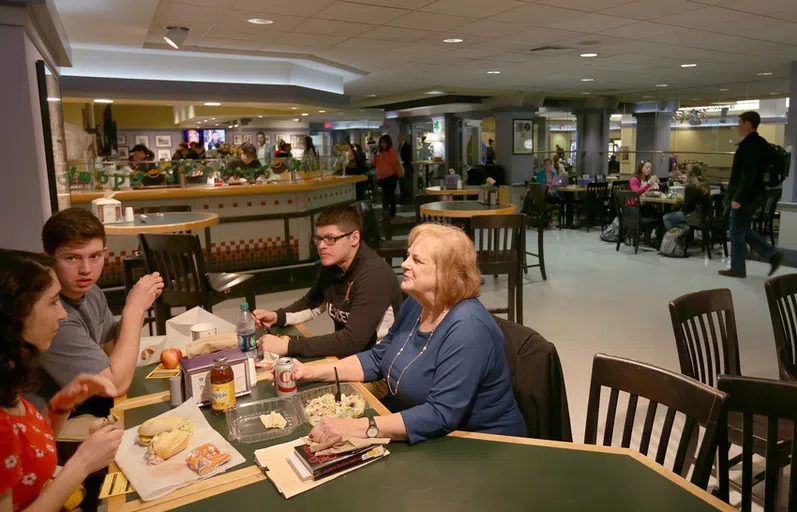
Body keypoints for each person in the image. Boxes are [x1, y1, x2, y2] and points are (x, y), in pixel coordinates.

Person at [289, 224, 527, 445]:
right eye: (407, 256)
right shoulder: (417, 304)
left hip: (480, 445)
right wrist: (308, 371)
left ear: (445, 274)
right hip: (429, 432)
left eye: (417, 260)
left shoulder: (468, 328)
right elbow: (378, 358)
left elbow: (440, 414)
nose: (404, 264)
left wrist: (357, 427)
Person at [0, 249, 123, 512]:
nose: (63, 315)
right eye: (53, 302)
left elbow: (32, 448)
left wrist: (64, 401)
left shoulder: (8, 380)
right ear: (17, 314)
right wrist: (81, 465)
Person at [33, 209, 164, 415]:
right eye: (72, 258)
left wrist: (138, 306)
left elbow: (111, 349)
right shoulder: (53, 316)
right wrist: (134, 309)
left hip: (85, 405)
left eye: (95, 256)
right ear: (47, 259)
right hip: (58, 422)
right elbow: (115, 385)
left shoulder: (91, 291)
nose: (86, 269)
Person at [254, 204, 403, 358]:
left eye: (331, 239)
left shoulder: (374, 276)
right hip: (349, 357)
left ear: (354, 238)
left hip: (379, 363)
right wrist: (276, 316)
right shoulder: (334, 265)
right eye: (319, 239)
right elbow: (311, 304)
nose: (321, 246)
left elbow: (352, 341)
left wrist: (288, 346)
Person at [720, 111, 783, 278]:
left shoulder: (751, 146)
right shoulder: (759, 143)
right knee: (739, 228)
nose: (737, 126)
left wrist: (738, 198)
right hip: (755, 194)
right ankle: (771, 255)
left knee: (737, 229)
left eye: (740, 122)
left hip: (747, 196)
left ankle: (740, 267)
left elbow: (748, 174)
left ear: (748, 124)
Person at [662, 164, 711, 231]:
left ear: (689, 174)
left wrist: (678, 206)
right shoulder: (705, 185)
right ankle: (682, 235)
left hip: (693, 216)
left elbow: (687, 208)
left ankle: (675, 238)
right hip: (703, 215)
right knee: (675, 213)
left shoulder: (691, 187)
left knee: (666, 217)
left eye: (686, 172)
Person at [373, 134, 400, 219]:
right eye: (381, 143)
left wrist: (384, 156)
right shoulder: (378, 152)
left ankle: (392, 214)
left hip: (390, 177)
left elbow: (394, 161)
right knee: (384, 197)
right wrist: (375, 156)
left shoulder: (391, 151)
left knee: (390, 196)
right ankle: (385, 215)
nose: (382, 144)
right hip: (381, 178)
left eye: (384, 143)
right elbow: (374, 163)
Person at [397, 133, 413, 202]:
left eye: (399, 138)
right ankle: (402, 197)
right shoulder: (400, 146)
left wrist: (403, 162)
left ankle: (407, 198)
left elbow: (408, 158)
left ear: (402, 138)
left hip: (406, 166)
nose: (398, 140)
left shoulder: (407, 146)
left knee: (406, 183)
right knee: (402, 183)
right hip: (401, 166)